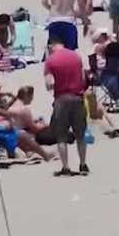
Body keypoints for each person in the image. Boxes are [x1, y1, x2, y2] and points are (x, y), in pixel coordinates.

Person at [45, 34, 87, 176]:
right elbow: (83, 78)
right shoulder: (76, 56)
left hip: (62, 99)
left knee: (61, 136)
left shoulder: (50, 61)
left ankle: (66, 166)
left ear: (51, 46)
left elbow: (50, 84)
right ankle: (82, 164)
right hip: (77, 97)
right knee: (80, 135)